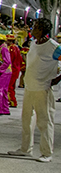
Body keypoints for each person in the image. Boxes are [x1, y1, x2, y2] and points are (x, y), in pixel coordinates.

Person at [9, 18, 61, 162]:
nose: (33, 29)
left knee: (44, 121)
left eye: (36, 27)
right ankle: (25, 149)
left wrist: (56, 79)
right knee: (27, 120)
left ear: (43, 30)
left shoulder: (54, 47)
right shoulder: (33, 43)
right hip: (29, 87)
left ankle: (47, 153)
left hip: (42, 89)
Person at [0, 35, 12, 115]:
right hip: (6, 71)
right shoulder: (1, 48)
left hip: (4, 72)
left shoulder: (3, 48)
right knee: (3, 91)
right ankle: (5, 109)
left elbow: (7, 61)